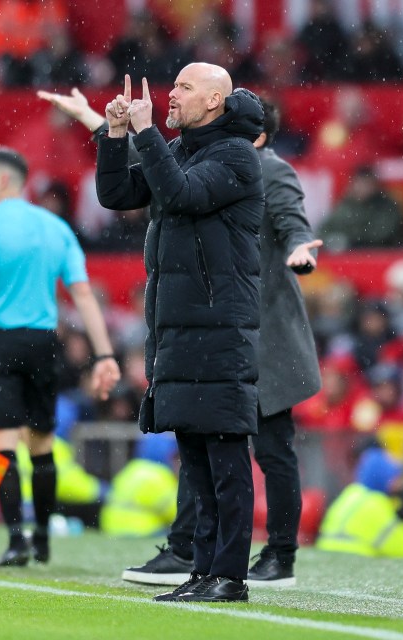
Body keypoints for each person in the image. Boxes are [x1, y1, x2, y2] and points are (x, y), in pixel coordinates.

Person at [94, 65, 264, 603]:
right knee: (194, 453)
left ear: (215, 100)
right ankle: (203, 567)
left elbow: (183, 195)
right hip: (179, 326)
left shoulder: (235, 154)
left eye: (185, 88)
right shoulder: (183, 149)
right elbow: (118, 194)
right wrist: (117, 136)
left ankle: (230, 576)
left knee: (225, 455)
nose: (172, 94)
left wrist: (146, 135)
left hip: (220, 327)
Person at [0, 147, 120, 568]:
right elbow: (83, 293)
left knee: (2, 445)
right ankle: (44, 540)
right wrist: (104, 353)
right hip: (41, 343)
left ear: (2, 180)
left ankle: (16, 541)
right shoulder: (55, 227)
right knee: (42, 444)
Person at [316, 447, 403, 559]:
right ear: (384, 478)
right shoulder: (375, 505)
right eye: (396, 477)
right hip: (353, 563)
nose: (401, 483)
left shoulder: (351, 495)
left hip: (329, 559)